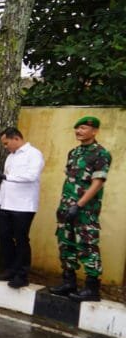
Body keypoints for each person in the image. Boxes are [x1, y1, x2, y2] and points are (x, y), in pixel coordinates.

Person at [49, 116, 112, 302]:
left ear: (95, 131)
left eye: (83, 128)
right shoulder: (74, 152)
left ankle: (92, 288)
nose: (78, 131)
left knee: (87, 245)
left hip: (85, 210)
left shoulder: (101, 154)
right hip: (66, 206)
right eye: (77, 128)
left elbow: (98, 182)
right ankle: (69, 282)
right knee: (65, 243)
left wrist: (79, 205)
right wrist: (66, 205)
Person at [0, 127, 45, 288]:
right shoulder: (10, 157)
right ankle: (10, 269)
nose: (5, 147)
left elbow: (32, 176)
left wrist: (8, 177)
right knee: (5, 237)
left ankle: (22, 274)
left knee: (21, 239)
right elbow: (4, 183)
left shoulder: (34, 154)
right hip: (6, 204)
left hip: (24, 205)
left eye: (6, 143)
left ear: (16, 138)